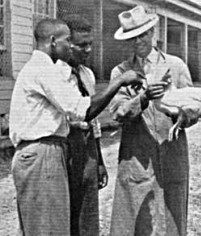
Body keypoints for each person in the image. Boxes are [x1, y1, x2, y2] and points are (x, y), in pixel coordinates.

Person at [9, 18, 142, 235]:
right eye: (68, 41)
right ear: (53, 41)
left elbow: (90, 120)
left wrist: (97, 158)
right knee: (48, 227)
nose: (71, 46)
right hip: (43, 151)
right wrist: (118, 82)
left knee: (64, 223)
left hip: (54, 150)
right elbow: (82, 110)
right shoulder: (44, 69)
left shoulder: (57, 70)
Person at [109, 6, 201, 236]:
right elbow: (119, 113)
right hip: (137, 158)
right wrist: (143, 98)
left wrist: (179, 111)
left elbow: (194, 111)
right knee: (138, 221)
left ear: (153, 32)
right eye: (131, 37)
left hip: (172, 155)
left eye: (142, 34)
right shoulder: (120, 72)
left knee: (173, 219)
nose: (137, 41)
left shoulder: (176, 66)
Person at [62, 14, 107, 236]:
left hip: (86, 148)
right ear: (65, 44)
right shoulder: (53, 74)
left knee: (88, 214)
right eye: (82, 45)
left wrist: (98, 160)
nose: (88, 50)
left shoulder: (87, 74)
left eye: (90, 44)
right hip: (63, 149)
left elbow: (93, 119)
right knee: (65, 212)